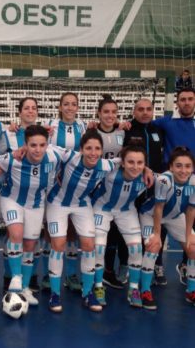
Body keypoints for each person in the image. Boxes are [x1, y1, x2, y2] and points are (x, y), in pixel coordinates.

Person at [46, 129, 121, 313]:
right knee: (58, 244)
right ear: (81, 149)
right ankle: (55, 294)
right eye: (89, 148)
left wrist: (147, 169)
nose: (93, 152)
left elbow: (124, 159)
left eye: (97, 148)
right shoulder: (69, 156)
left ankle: (88, 294)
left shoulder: (105, 165)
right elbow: (45, 147)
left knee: (89, 245)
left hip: (81, 204)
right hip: (57, 203)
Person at [0, 125, 61, 307]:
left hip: (36, 204)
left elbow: (78, 157)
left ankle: (23, 288)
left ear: (47, 144)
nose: (37, 149)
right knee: (16, 234)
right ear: (25, 144)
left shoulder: (54, 155)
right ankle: (15, 278)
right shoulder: (12, 158)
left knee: (30, 244)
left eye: (42, 145)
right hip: (12, 200)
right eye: (33, 145)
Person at [139, 147, 195, 310]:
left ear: (192, 168)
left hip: (175, 217)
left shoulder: (193, 182)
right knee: (153, 246)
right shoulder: (164, 180)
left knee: (193, 248)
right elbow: (158, 208)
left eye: (187, 166)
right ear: (171, 167)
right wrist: (157, 234)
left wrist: (188, 235)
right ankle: (145, 291)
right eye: (178, 165)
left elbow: (191, 210)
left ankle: (191, 291)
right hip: (150, 214)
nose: (183, 170)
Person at [93, 145, 147, 307]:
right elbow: (94, 161)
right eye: (130, 162)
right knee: (99, 247)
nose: (135, 166)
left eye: (140, 163)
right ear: (122, 163)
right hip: (102, 208)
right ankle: (97, 286)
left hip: (126, 211)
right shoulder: (110, 170)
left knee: (137, 248)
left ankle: (133, 288)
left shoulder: (148, 178)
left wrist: (149, 170)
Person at [151, 87, 195, 284]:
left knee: (192, 225)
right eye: (183, 99)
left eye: (190, 99)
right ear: (177, 103)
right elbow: (142, 124)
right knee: (165, 223)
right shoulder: (167, 122)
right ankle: (157, 265)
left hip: (192, 182)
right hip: (171, 181)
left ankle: (185, 265)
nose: (186, 103)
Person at [44, 92, 87, 292]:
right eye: (66, 104)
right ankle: (47, 273)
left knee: (71, 233)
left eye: (74, 104)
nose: (70, 108)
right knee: (51, 232)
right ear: (60, 107)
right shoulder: (50, 125)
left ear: (78, 107)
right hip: (53, 184)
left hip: (76, 184)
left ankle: (70, 275)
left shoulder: (83, 127)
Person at [124, 98, 167, 286]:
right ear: (134, 111)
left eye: (148, 109)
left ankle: (156, 264)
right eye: (140, 109)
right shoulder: (126, 129)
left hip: (155, 186)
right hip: (133, 186)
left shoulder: (158, 131)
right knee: (129, 228)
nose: (145, 112)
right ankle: (129, 265)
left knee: (159, 225)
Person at [0, 97, 41, 292]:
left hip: (38, 192)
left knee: (33, 237)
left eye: (34, 108)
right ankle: (10, 276)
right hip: (13, 191)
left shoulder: (45, 132)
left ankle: (29, 277)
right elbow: (0, 158)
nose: (30, 111)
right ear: (20, 111)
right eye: (27, 108)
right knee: (13, 234)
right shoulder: (9, 134)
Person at [95, 95, 129, 289]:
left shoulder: (122, 134)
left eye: (113, 112)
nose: (110, 115)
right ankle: (93, 274)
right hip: (97, 189)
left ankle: (107, 271)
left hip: (116, 188)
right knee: (98, 235)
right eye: (106, 111)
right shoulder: (90, 132)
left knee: (114, 234)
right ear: (99, 113)